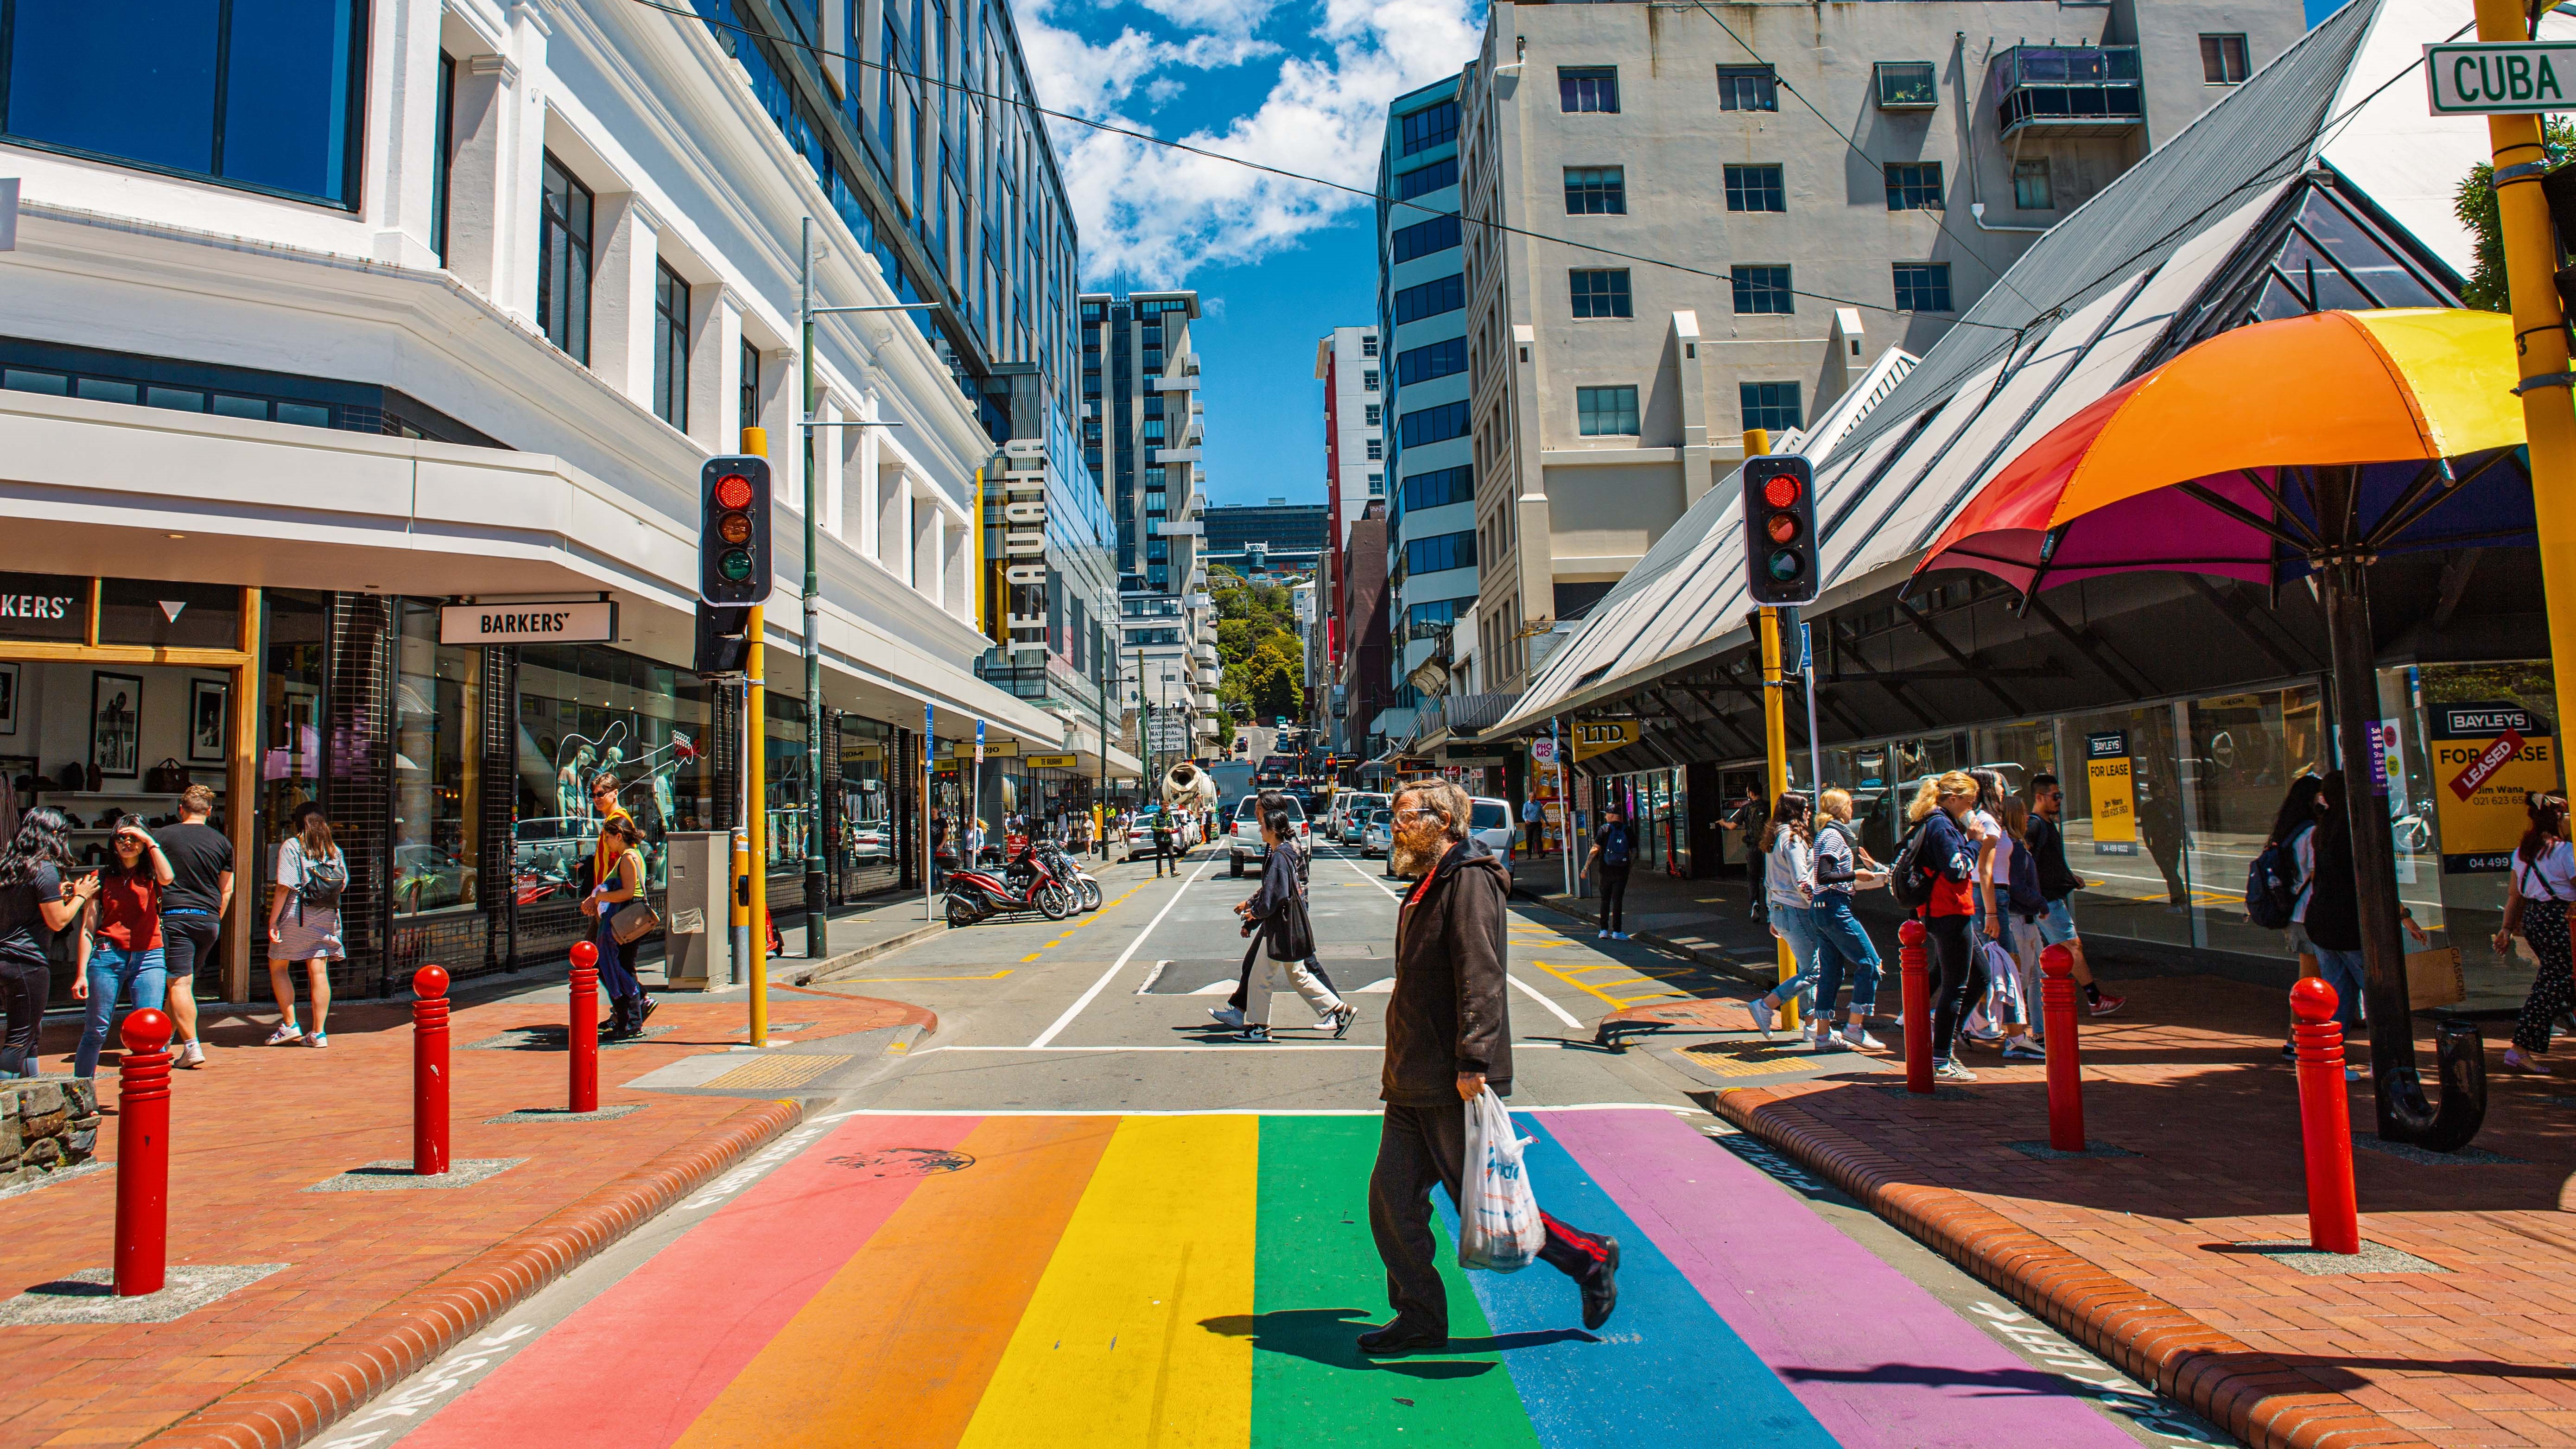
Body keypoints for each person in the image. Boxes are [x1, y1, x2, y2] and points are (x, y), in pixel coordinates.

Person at [1364, 777, 1619, 1354]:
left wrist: (1474, 1058)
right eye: (1394, 815)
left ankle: (1589, 1256)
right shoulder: (1428, 880)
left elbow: (1480, 971)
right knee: (1390, 1202)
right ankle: (1419, 1317)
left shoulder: (1468, 880)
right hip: (1411, 1078)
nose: (1395, 825)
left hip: (1450, 1076)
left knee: (1484, 1202)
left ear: (1443, 822)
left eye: (1405, 816)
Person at [1223, 802, 1355, 1042]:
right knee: (1297, 974)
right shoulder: (1282, 852)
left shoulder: (1280, 857)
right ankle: (1338, 1010)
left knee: (1261, 978)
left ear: (1273, 829)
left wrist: (1256, 913)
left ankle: (1260, 1027)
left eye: (1262, 825)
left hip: (1279, 927)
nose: (1260, 829)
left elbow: (1275, 895)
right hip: (1287, 924)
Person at [72, 823, 172, 1078]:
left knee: (151, 1028)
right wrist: (81, 972)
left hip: (149, 955)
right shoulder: (102, 877)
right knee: (96, 1029)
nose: (128, 843)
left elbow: (168, 877)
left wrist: (149, 840)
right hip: (108, 955)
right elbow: (88, 927)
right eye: (121, 838)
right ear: (113, 843)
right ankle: (82, 1093)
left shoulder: (151, 875)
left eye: (134, 839)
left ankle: (150, 1093)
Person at [1904, 771, 1984, 1083]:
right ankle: (1940, 1057)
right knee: (1957, 984)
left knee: (1981, 976)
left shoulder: (1937, 822)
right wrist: (1975, 842)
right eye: (1968, 800)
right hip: (1948, 911)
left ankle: (1944, 1044)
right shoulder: (1942, 825)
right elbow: (1956, 869)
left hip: (1946, 911)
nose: (1971, 807)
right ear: (1953, 798)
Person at [2023, 775, 2125, 1017]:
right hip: (2044, 901)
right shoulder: (2035, 825)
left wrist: (2070, 878)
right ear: (2039, 798)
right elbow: (2024, 860)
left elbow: (2050, 863)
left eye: (2061, 796)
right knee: (2071, 946)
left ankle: (2002, 1007)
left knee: (2043, 954)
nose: (2059, 801)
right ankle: (2095, 999)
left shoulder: (2046, 824)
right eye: (2054, 796)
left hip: (2045, 899)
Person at [0, 810, 91, 1077]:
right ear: (54, 835)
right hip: (26, 963)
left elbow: (26, 905)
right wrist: (82, 896)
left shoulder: (10, 865)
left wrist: (59, 894)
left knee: (31, 1032)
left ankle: (33, 1090)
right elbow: (59, 921)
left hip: (5, 958)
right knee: (20, 1038)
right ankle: (5, 1104)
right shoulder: (45, 868)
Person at [154, 784, 233, 1069]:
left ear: (181, 809)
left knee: (179, 983)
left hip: (177, 916)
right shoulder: (223, 842)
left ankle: (192, 1046)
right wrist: (216, 918)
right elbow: (227, 890)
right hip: (209, 920)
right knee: (183, 985)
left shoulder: (161, 837)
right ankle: (165, 1041)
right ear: (210, 812)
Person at [2497, 793, 2574, 1075]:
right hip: (2561, 920)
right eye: (2568, 816)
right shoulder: (2564, 852)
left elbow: (2514, 896)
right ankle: (2519, 1049)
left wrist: (2507, 928)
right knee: (2554, 983)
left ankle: (2521, 1048)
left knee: (2563, 979)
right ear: (2558, 819)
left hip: (2536, 920)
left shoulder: (2523, 852)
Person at [1807, 787, 1887, 1050]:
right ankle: (1854, 1028)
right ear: (1841, 809)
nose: (1853, 810)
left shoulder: (1825, 834)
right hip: (1834, 907)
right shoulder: (1833, 837)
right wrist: (1857, 875)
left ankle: (1822, 1036)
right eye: (1850, 805)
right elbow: (1825, 875)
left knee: (1831, 971)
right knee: (1870, 963)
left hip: (1821, 910)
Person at [1744, 794, 1823, 1042]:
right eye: (1806, 808)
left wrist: (1771, 914)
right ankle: (1766, 1005)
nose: (1810, 813)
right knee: (1813, 971)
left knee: (1806, 966)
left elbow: (1769, 881)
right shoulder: (1793, 839)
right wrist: (1818, 903)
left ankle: (1810, 1024)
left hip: (1781, 908)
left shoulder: (1776, 837)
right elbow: (1802, 880)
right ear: (1796, 811)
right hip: (1796, 908)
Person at [265, 806, 347, 1048]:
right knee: (319, 972)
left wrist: (273, 920)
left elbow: (284, 886)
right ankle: (318, 1033)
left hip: (296, 914)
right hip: (327, 917)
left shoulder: (292, 846)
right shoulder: (334, 850)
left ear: (298, 823)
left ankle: (290, 1024)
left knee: (278, 965)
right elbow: (342, 884)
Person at [587, 813, 655, 1039]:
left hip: (625, 918)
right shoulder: (632, 855)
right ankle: (629, 1022)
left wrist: (600, 898)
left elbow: (628, 892)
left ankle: (630, 1022)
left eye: (608, 837)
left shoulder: (627, 857)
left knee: (618, 969)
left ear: (619, 836)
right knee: (623, 968)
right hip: (629, 918)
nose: (606, 842)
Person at [1583, 802, 1635, 940]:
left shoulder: (1604, 830)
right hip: (1621, 872)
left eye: (1607, 815)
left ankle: (1603, 930)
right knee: (1618, 901)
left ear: (1611, 815)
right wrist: (1629, 867)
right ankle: (1617, 931)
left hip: (1605, 871)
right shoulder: (1628, 830)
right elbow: (1634, 852)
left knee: (1605, 900)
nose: (1606, 817)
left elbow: (1595, 849)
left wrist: (1586, 867)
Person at [1719, 785, 1769, 919]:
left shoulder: (1746, 808)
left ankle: (1755, 903)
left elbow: (1732, 826)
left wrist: (1723, 823)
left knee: (1753, 878)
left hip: (1753, 847)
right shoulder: (1769, 806)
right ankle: (1770, 909)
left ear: (1751, 793)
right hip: (1768, 848)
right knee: (1768, 878)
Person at [1151, 802, 1177, 877]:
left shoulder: (1170, 815)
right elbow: (1153, 827)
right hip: (1160, 840)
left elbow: (1172, 826)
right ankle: (1159, 873)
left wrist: (1171, 830)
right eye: (1165, 806)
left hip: (1168, 839)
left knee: (1171, 855)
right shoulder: (1157, 816)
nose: (1166, 808)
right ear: (1162, 806)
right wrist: (1163, 830)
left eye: (1168, 806)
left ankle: (1173, 871)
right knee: (1159, 856)